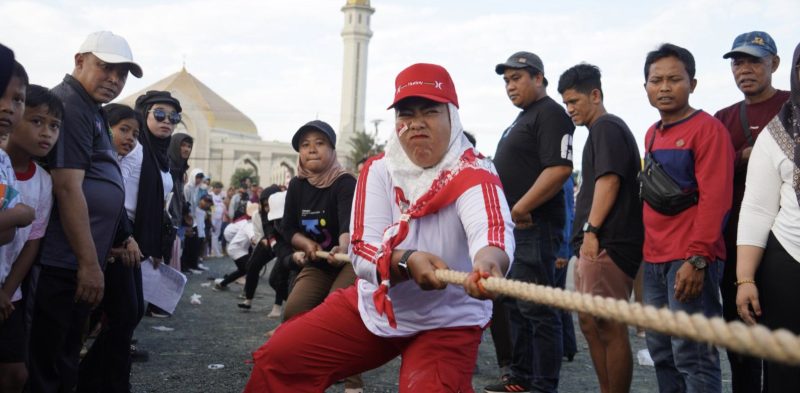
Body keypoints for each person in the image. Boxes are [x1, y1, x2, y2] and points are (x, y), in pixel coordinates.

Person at [245, 62, 513, 393]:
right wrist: (404, 260)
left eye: (429, 111)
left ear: (452, 117)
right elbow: (361, 247)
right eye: (405, 114)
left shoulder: (476, 171)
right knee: (281, 357)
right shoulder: (379, 170)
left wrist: (488, 265)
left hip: (449, 318)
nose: (416, 124)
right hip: (377, 303)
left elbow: (491, 231)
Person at [28, 31, 142, 393]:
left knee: (64, 357)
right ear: (79, 61)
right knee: (48, 363)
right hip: (62, 260)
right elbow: (68, 187)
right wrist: (89, 265)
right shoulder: (70, 106)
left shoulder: (89, 109)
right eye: (106, 68)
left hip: (75, 258)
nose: (114, 80)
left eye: (121, 74)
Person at [640, 43, 733, 393]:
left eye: (674, 79)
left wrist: (697, 258)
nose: (664, 87)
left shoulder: (708, 130)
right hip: (653, 260)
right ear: (646, 86)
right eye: (656, 80)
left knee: (693, 355)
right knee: (662, 351)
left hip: (691, 258)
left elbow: (717, 199)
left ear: (692, 84)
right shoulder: (650, 133)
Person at [486, 51, 574, 393]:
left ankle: (542, 385)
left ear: (539, 78)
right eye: (506, 80)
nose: (510, 86)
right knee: (515, 306)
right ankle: (520, 378)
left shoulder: (550, 114)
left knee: (538, 310)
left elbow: (559, 168)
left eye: (517, 78)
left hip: (533, 227)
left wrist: (520, 209)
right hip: (513, 230)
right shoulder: (521, 118)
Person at [81, 91, 181, 391]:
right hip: (120, 238)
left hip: (137, 240)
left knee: (129, 313)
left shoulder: (159, 155)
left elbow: (160, 204)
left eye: (173, 117)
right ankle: (99, 379)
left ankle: (100, 377)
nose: (167, 122)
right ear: (145, 112)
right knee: (124, 313)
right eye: (159, 114)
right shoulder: (136, 151)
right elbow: (119, 196)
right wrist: (127, 237)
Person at [558, 63, 644, 393]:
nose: (570, 110)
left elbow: (609, 180)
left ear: (595, 95)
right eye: (566, 104)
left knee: (607, 324)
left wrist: (592, 232)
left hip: (608, 242)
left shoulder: (606, 127)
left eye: (574, 101)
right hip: (595, 243)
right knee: (590, 323)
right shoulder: (599, 131)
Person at [713, 31, 790, 393]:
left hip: (788, 245)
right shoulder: (723, 118)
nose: (744, 69)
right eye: (737, 62)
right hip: (736, 244)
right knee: (741, 340)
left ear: (774, 64)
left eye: (754, 61)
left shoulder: (794, 106)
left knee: (785, 340)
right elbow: (710, 176)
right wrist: (747, 157)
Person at [736, 41, 800, 392]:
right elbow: (758, 208)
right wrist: (745, 279)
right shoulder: (780, 132)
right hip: (789, 262)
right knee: (784, 375)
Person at [0, 84, 60, 393]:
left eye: (54, 126)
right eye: (37, 121)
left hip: (10, 295)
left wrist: (8, 292)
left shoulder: (44, 181)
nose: (47, 133)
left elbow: (32, 241)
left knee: (15, 373)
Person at [553, 175, 576, 363]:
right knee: (556, 297)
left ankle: (563, 346)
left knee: (552, 300)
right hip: (559, 245)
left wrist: (562, 251)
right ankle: (567, 346)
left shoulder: (562, 177)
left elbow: (566, 214)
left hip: (558, 246)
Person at [215, 200, 259, 290]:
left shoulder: (248, 222)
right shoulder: (249, 224)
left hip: (238, 247)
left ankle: (222, 284)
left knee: (243, 270)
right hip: (237, 249)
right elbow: (253, 240)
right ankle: (247, 294)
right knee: (250, 270)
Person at [166, 132, 193, 266]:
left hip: (174, 225)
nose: (186, 149)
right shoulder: (167, 167)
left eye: (189, 146)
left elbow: (178, 198)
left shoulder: (180, 170)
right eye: (183, 145)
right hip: (165, 226)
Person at [209, 181, 225, 257]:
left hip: (219, 218)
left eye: (220, 188)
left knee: (216, 235)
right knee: (213, 235)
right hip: (213, 218)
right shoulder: (210, 195)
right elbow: (211, 208)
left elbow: (221, 207)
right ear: (213, 188)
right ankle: (214, 252)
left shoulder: (220, 197)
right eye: (217, 188)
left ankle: (215, 251)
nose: (218, 190)